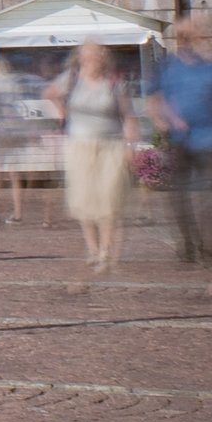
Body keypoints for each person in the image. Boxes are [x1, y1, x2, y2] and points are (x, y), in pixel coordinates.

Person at [153, 20, 212, 270]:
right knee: (180, 196)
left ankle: (210, 245)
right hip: (180, 141)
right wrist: (167, 120)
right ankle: (189, 242)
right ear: (179, 40)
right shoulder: (167, 69)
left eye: (194, 37)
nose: (189, 42)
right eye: (185, 37)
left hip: (208, 138)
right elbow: (157, 99)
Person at [50, 42, 136, 277]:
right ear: (80, 59)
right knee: (84, 201)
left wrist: (131, 147)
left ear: (103, 59)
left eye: (96, 56)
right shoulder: (71, 79)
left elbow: (128, 117)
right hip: (79, 146)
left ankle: (105, 253)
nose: (92, 61)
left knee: (108, 201)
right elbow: (49, 93)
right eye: (87, 57)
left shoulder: (115, 83)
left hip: (111, 147)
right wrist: (61, 111)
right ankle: (92, 248)